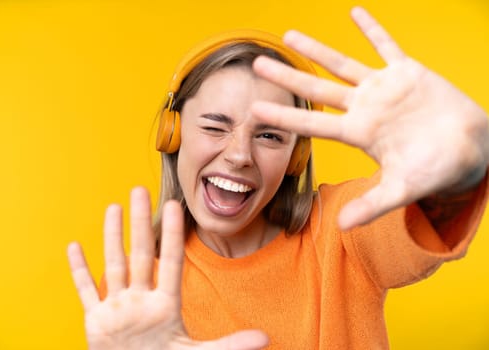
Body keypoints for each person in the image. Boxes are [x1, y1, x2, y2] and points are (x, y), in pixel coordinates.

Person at [67, 6, 489, 350]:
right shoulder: (137, 287)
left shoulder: (340, 231)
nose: (238, 156)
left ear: (296, 155)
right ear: (172, 134)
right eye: (215, 126)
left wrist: (457, 173)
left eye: (269, 135)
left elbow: (425, 216)